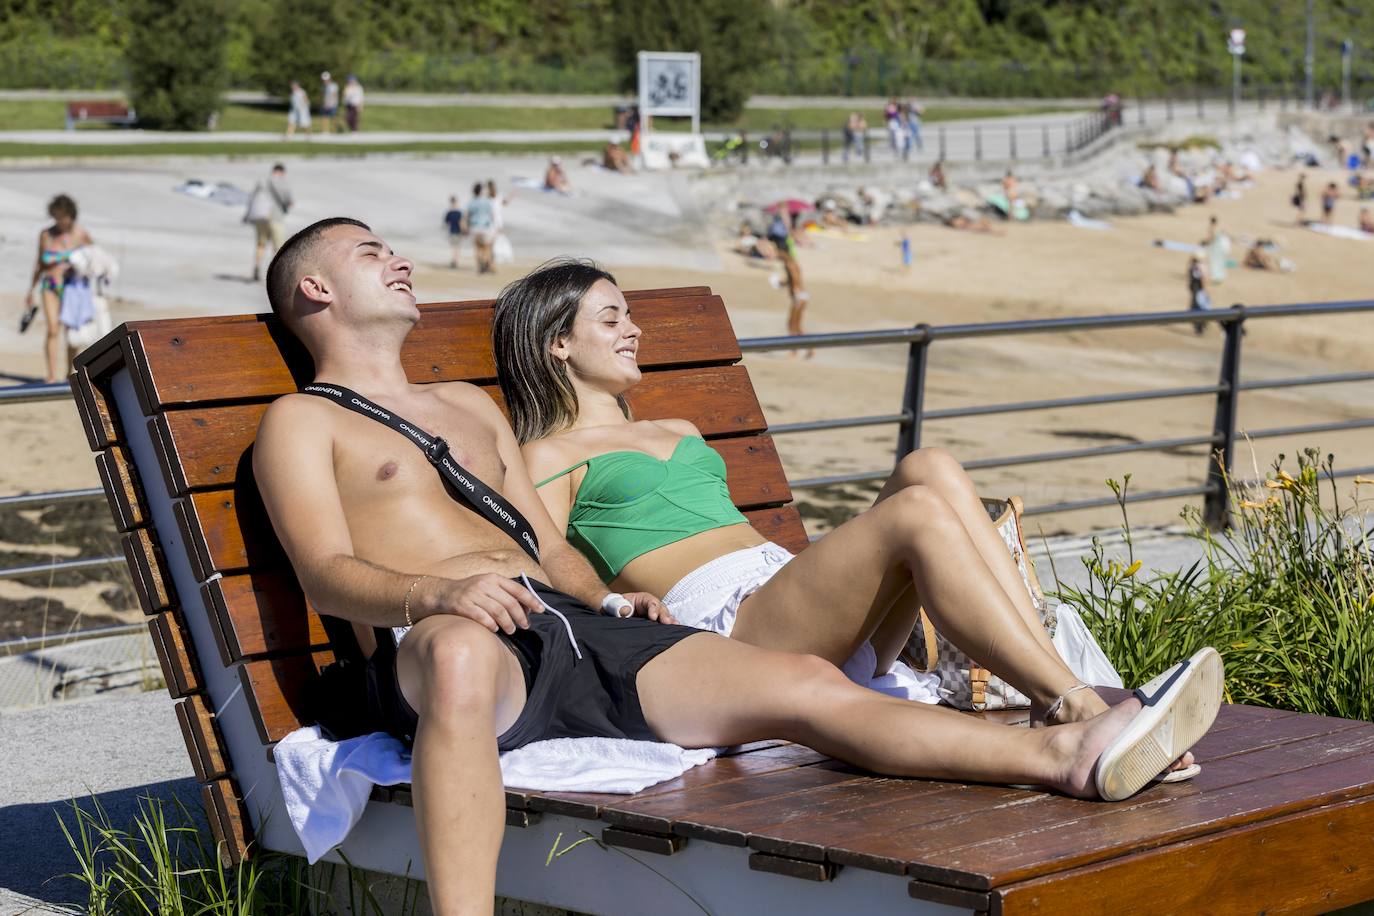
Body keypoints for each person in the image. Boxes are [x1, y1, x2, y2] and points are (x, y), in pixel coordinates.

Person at [258, 221, 1221, 913]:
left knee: (803, 683)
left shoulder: (469, 406)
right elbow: (322, 572)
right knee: (464, 660)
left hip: (574, 628)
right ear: (316, 290)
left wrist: (609, 595)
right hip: (449, 636)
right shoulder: (303, 421)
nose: (401, 260)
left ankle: (1066, 755)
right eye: (371, 252)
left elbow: (545, 545)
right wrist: (442, 591)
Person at [23, 194, 93, 382]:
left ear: (71, 215)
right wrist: (31, 290)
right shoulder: (46, 235)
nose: (60, 221)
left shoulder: (81, 235)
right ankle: (52, 375)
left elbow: (93, 261)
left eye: (64, 217)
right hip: (50, 285)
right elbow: (39, 264)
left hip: (72, 288)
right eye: (57, 217)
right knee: (53, 328)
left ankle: (68, 373)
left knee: (71, 332)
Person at [246, 164, 292, 282]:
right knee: (278, 247)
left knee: (261, 244)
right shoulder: (282, 182)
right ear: (282, 172)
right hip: (275, 217)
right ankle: (275, 274)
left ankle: (256, 267)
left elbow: (251, 198)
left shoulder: (261, 182)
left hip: (261, 218)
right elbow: (289, 201)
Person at [464, 182, 496, 274]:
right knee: (486, 248)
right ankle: (486, 264)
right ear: (481, 191)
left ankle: (479, 267)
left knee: (477, 248)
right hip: (485, 227)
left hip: (474, 227)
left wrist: (466, 227)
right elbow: (492, 215)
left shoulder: (471, 202)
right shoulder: (487, 201)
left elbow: (466, 216)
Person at [1187, 254, 1209, 335]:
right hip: (1196, 289)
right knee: (1197, 307)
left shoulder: (1197, 267)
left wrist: (1204, 289)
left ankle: (1200, 326)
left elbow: (1202, 278)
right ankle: (1200, 325)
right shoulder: (1196, 266)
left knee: (1197, 307)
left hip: (1197, 289)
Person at [1203, 215, 1229, 284]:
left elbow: (1211, 237)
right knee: (1219, 262)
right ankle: (1219, 277)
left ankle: (1215, 277)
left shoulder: (1211, 228)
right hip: (1220, 247)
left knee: (1214, 262)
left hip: (1214, 247)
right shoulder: (1219, 228)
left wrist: (1206, 243)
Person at [442, 196, 463, 269]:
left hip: (451, 231)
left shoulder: (449, 212)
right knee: (457, 247)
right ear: (456, 202)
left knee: (453, 247)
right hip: (458, 231)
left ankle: (454, 260)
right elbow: (461, 223)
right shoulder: (459, 212)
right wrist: (464, 231)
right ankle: (456, 261)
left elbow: (446, 223)